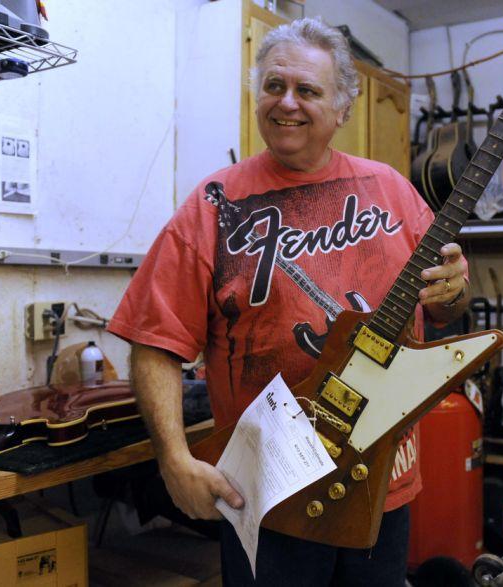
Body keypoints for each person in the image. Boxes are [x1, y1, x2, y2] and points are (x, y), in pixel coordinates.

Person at [107, 16, 469, 586]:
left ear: (345, 107)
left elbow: (443, 307)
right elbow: (155, 339)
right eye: (274, 86)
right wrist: (174, 459)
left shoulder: (395, 191)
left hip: (382, 483)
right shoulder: (212, 206)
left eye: (308, 90)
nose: (287, 103)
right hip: (267, 490)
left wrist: (455, 290)